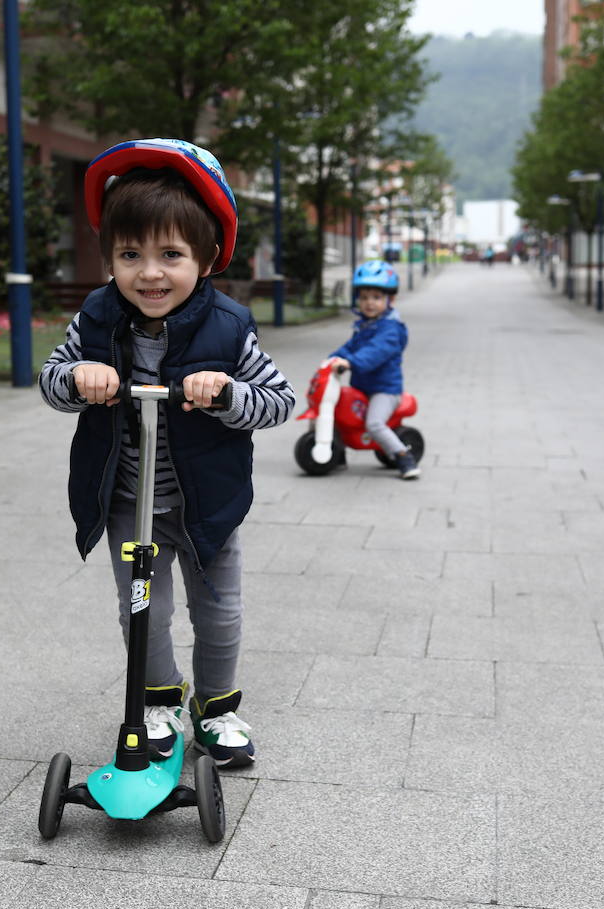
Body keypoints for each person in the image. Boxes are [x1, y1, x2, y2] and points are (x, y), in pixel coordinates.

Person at [39, 139, 296, 769]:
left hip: (207, 505)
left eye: (170, 255)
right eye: (131, 255)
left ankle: (216, 709)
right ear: (110, 260)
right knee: (142, 611)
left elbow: (280, 400)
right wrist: (79, 379)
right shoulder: (97, 319)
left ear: (207, 259)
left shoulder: (230, 327)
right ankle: (157, 703)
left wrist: (228, 393)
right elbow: (52, 378)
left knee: (220, 612)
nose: (150, 273)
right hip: (129, 500)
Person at [329, 259, 419, 479]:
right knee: (337, 412)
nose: (369, 303)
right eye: (364, 297)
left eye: (377, 298)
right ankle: (336, 452)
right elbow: (350, 347)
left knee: (374, 424)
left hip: (385, 390)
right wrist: (333, 358)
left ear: (391, 300)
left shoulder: (391, 330)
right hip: (362, 387)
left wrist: (351, 363)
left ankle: (403, 457)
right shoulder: (364, 325)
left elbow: (374, 353)